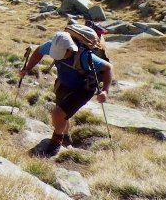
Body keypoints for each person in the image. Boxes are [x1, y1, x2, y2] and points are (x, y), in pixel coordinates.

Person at [18, 25, 112, 156]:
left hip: (83, 88)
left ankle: (56, 141)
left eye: (62, 55)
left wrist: (105, 91)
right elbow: (39, 51)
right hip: (64, 83)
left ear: (70, 49)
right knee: (62, 115)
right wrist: (27, 69)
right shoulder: (53, 45)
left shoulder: (85, 57)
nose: (59, 57)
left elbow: (107, 68)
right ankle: (66, 138)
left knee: (58, 113)